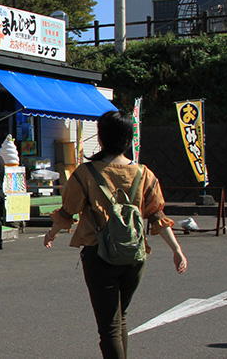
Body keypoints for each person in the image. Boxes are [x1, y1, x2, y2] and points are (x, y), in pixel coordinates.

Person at [43, 110, 187, 359]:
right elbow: (157, 215)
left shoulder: (85, 173)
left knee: (109, 326)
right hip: (135, 256)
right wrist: (177, 250)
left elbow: (68, 210)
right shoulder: (144, 173)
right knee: (120, 319)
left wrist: (52, 233)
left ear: (100, 138)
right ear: (128, 139)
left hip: (98, 255)